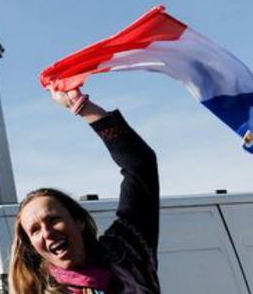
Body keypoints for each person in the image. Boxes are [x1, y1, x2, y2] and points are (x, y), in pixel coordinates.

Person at [10, 88, 161, 294]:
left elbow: (140, 167)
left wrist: (81, 105)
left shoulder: (126, 250)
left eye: (53, 219)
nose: (47, 232)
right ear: (32, 245)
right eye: (35, 230)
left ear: (79, 221)